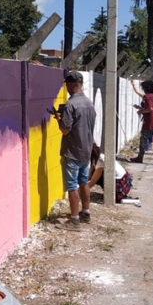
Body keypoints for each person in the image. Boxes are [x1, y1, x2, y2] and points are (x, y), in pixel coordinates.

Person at [54, 71, 96, 230]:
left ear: (71, 85)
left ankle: (74, 220)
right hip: (86, 150)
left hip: (72, 151)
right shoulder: (89, 103)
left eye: (67, 85)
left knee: (72, 185)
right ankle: (86, 212)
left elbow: (65, 130)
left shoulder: (71, 104)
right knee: (83, 181)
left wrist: (59, 119)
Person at [129, 80, 153, 166]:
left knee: (143, 139)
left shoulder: (148, 97)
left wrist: (141, 110)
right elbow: (146, 100)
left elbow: (150, 109)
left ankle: (140, 157)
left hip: (150, 122)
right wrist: (134, 88)